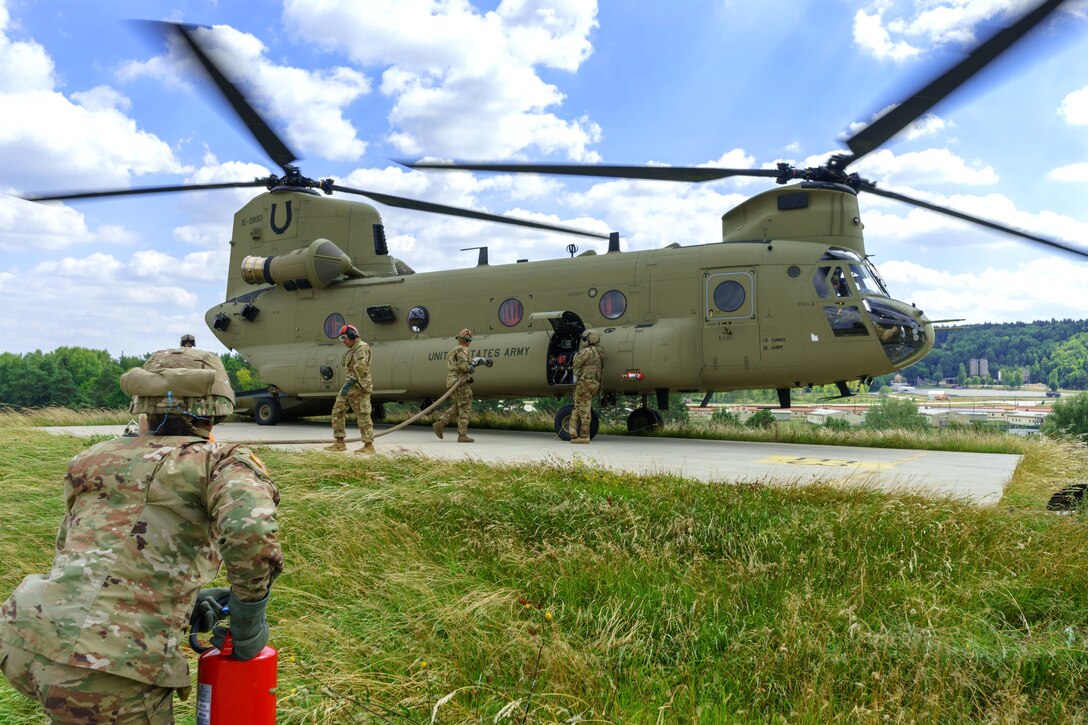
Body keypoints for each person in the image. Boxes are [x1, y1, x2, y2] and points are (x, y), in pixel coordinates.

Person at [0, 347, 283, 724]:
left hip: (27, 639)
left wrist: (182, 598)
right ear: (219, 408)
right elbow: (251, 531)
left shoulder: (93, 458)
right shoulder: (219, 464)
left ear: (141, 404)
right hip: (111, 667)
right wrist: (249, 619)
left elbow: (87, 556)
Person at [325, 323, 375, 454]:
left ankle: (368, 445)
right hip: (350, 386)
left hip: (360, 387)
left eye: (344, 338)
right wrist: (347, 387)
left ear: (352, 336)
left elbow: (360, 368)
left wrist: (348, 386)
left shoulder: (361, 348)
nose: (343, 342)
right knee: (337, 410)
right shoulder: (352, 349)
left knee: (363, 414)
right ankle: (339, 442)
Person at [433, 328, 477, 443]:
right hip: (459, 382)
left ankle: (440, 423)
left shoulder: (453, 350)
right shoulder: (463, 350)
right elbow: (463, 367)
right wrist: (471, 368)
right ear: (467, 340)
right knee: (465, 406)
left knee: (458, 405)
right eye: (469, 340)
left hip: (452, 381)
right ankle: (462, 435)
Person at [569, 329, 605, 444]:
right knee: (579, 405)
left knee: (584, 409)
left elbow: (575, 363)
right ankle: (572, 429)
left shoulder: (586, 352)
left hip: (585, 383)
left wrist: (576, 355)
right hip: (595, 383)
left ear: (588, 339)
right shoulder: (601, 352)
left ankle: (584, 436)